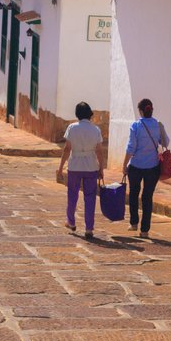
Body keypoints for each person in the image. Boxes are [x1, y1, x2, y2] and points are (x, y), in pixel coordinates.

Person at [57, 101, 105, 239]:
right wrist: (101, 168)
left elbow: (67, 149)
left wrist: (60, 167)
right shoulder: (95, 130)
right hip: (91, 166)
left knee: (72, 195)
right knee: (90, 197)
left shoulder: (72, 128)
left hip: (75, 166)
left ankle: (71, 221)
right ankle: (89, 228)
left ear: (77, 114)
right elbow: (99, 151)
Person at [121, 98, 168, 238]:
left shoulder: (136, 126)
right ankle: (145, 230)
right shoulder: (158, 124)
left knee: (134, 194)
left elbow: (131, 147)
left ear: (140, 111)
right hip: (153, 167)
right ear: (151, 110)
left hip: (136, 166)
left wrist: (124, 164)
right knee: (147, 197)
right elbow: (165, 142)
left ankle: (134, 222)